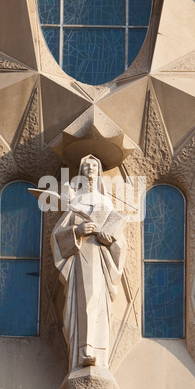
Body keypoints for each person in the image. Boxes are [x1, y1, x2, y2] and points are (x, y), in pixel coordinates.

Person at [51, 155, 127, 371]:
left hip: (101, 259)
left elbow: (120, 239)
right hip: (80, 256)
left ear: (99, 170)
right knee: (82, 302)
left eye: (94, 165)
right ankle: (84, 350)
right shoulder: (75, 202)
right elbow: (57, 235)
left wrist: (109, 238)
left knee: (99, 303)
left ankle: (97, 351)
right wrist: (77, 231)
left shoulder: (105, 202)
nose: (90, 168)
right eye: (86, 165)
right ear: (81, 171)